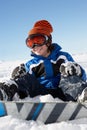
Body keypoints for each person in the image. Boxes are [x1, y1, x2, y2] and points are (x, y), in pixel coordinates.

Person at [0, 19, 87, 102]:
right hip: (40, 94)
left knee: (71, 77)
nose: (35, 46)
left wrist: (77, 71)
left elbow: (80, 77)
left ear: (48, 41)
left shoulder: (63, 57)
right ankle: (6, 92)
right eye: (31, 43)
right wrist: (18, 77)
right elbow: (26, 84)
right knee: (25, 79)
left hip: (66, 91)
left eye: (39, 40)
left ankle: (82, 96)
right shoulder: (31, 65)